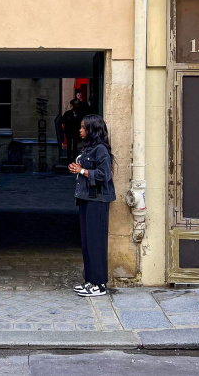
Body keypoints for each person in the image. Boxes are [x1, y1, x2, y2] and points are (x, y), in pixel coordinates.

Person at [68, 114, 116, 297]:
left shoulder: (101, 150)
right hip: (87, 198)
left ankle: (100, 284)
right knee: (87, 241)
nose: (80, 130)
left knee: (96, 242)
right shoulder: (89, 149)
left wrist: (82, 170)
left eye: (83, 127)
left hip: (98, 200)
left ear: (92, 130)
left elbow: (104, 174)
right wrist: (77, 169)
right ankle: (90, 281)